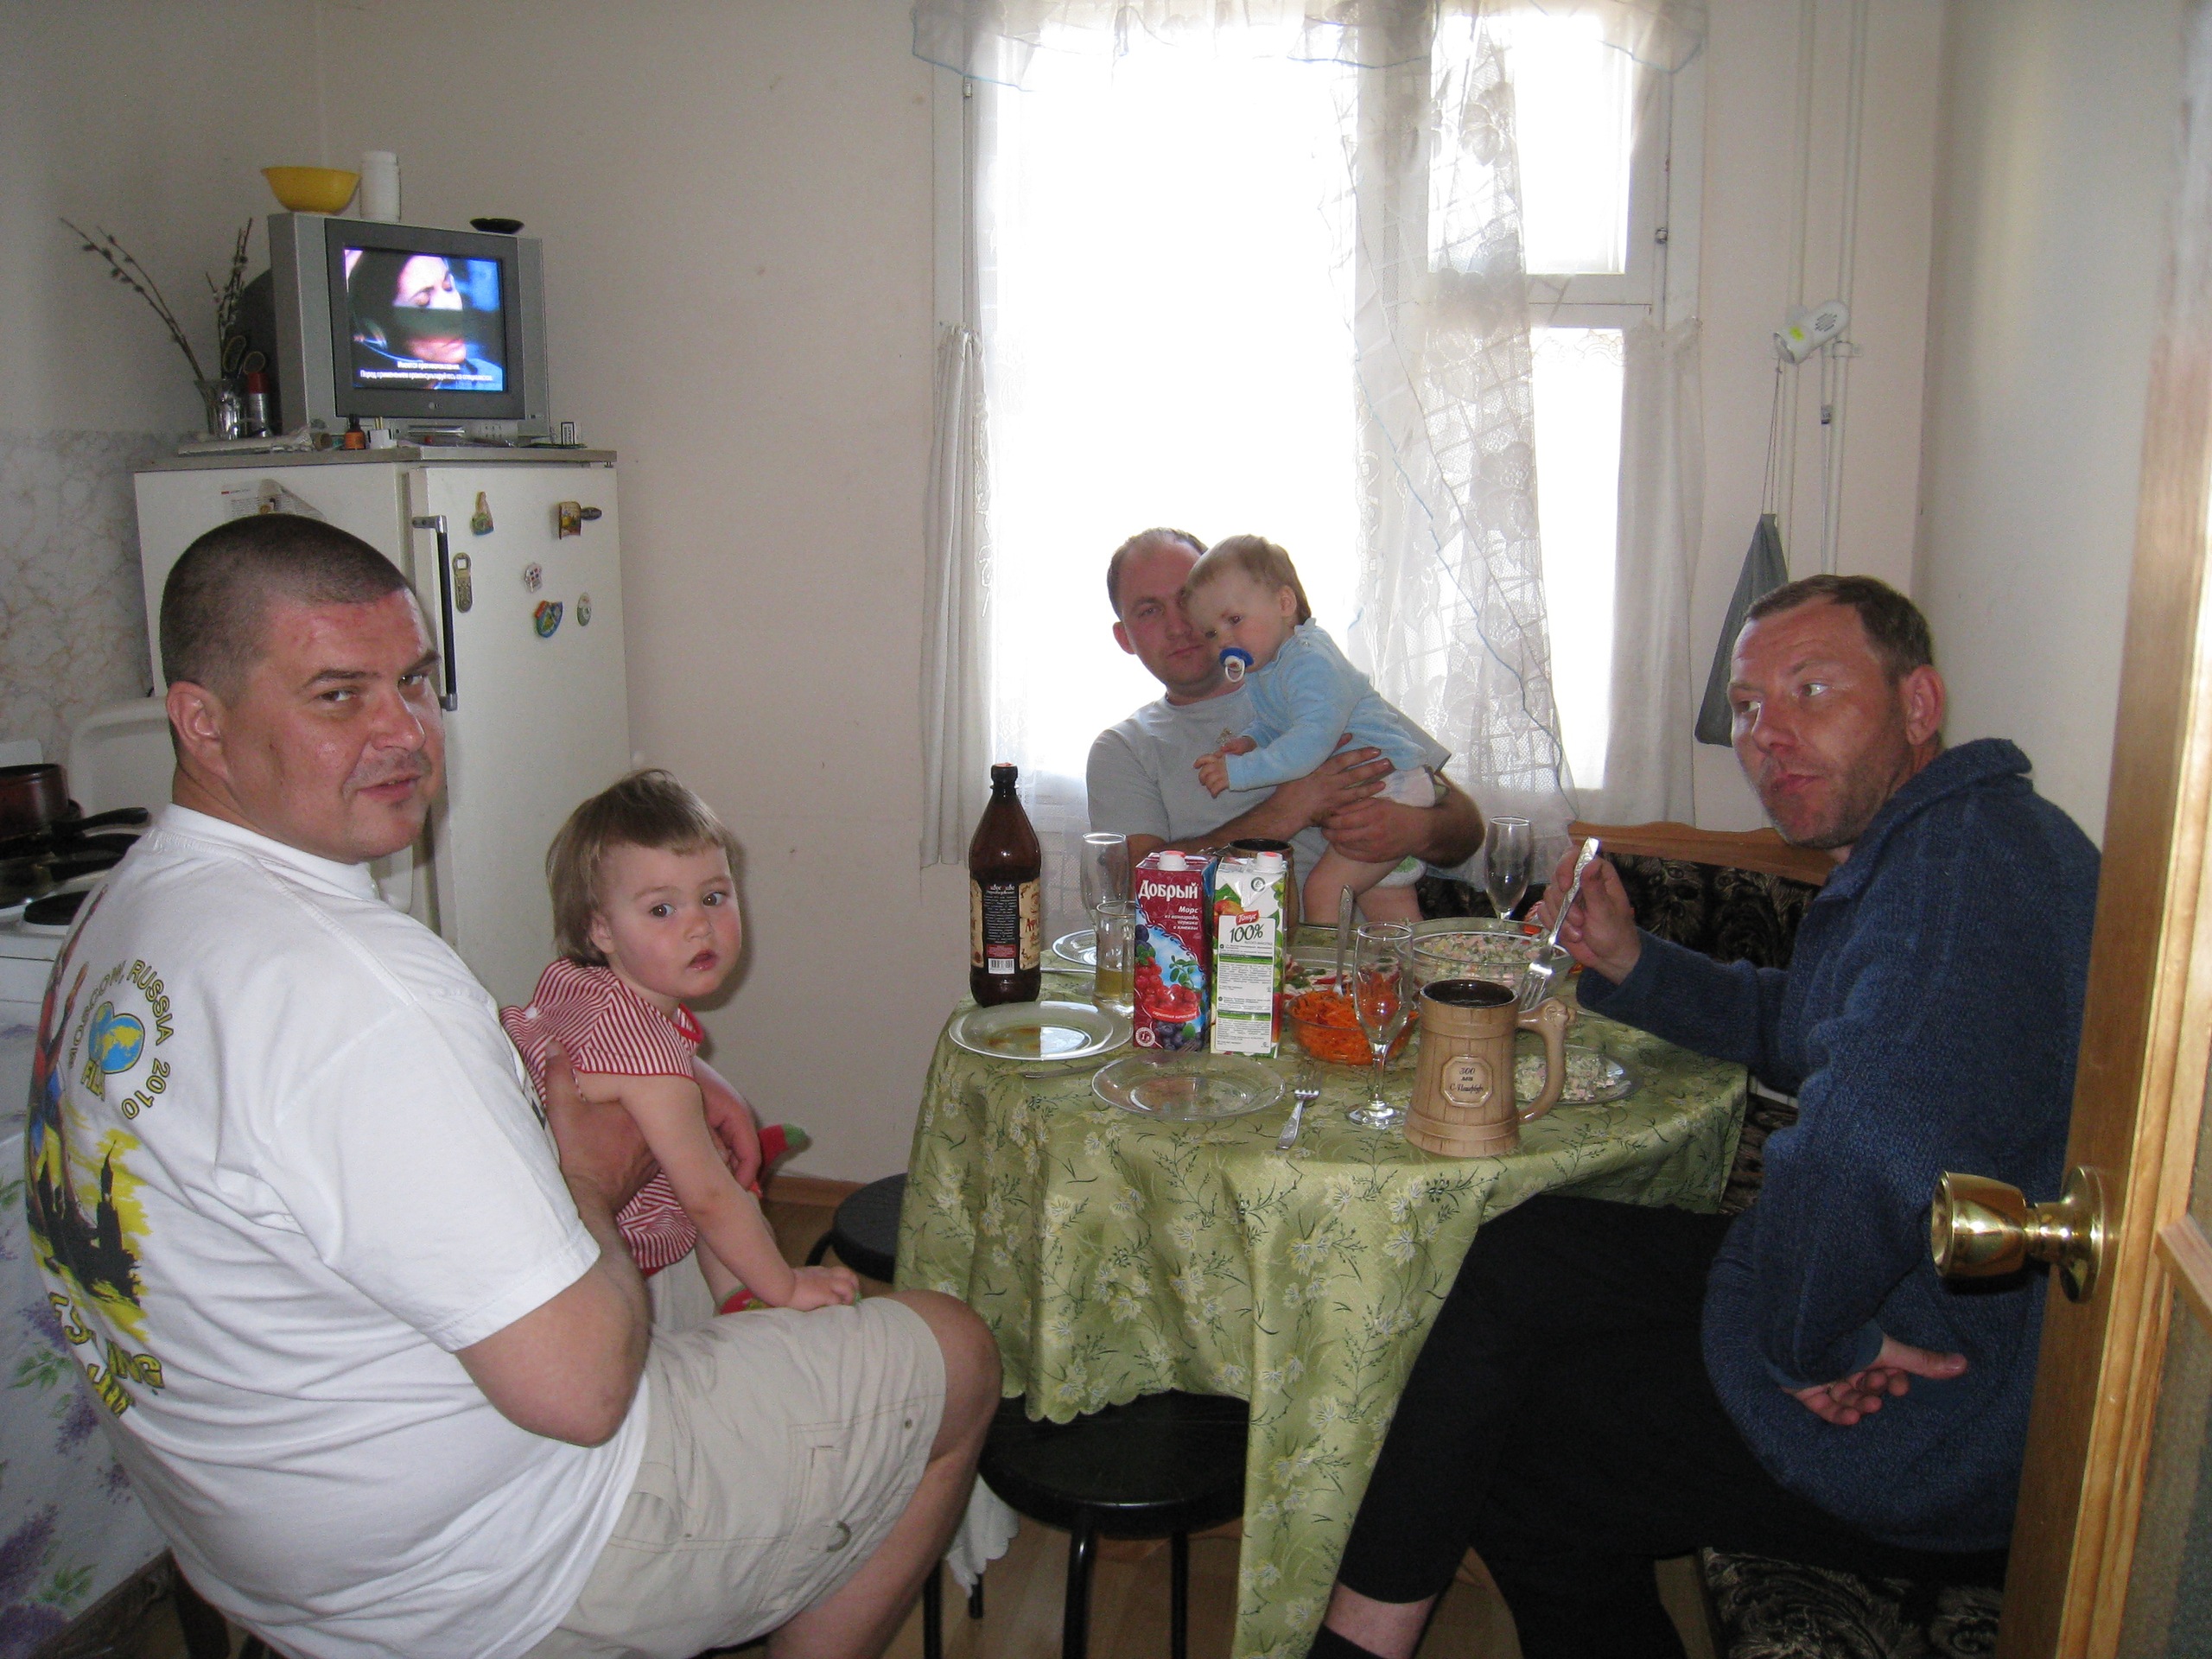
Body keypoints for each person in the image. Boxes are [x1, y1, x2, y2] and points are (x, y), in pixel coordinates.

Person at [24, 512, 996, 1659]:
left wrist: (665, 1083)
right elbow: (582, 1395)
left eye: (415, 680)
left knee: (693, 1298)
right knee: (955, 1351)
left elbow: (357, 1104)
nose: (404, 732)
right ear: (203, 720)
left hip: (257, 1540)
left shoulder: (125, 912)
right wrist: (583, 1179)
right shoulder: (352, 988)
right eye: (338, 695)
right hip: (492, 1566)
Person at [1310, 574, 2098, 1659]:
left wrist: (1812, 1340)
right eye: (1747, 706)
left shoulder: (1959, 876)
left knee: (1521, 1445)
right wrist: (1631, 962)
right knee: (1517, 1250)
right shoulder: (1947, 843)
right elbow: (1807, 1031)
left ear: (1918, 704)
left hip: (1955, 1421)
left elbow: (1872, 1147)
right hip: (1923, 1305)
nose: (1767, 733)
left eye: (1811, 689)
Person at [502, 769, 853, 1316]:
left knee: (702, 1155)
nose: (699, 927)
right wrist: (786, 1285)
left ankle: (736, 1283)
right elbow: (708, 1200)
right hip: (598, 1249)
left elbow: (614, 1062)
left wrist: (704, 1082)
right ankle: (748, 1294)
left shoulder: (575, 980)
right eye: (662, 909)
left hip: (515, 1202)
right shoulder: (652, 1063)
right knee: (717, 1184)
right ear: (601, 930)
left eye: (713, 897)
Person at [1086, 527, 1483, 903]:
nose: (1178, 625)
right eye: (1150, 611)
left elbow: (1466, 828)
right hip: (1224, 951)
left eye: (1186, 599)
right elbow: (1135, 889)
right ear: (1125, 638)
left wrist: (1415, 829)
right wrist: (1286, 812)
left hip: (1365, 945)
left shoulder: (1306, 679)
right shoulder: (1122, 749)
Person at [1182, 535, 1443, 924]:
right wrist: (1251, 741)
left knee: (1323, 893)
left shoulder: (1310, 661)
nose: (1224, 641)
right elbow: (1276, 724)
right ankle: (1408, 962)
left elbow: (1310, 743)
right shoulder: (1267, 668)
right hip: (1374, 791)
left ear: (1284, 604)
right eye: (1211, 633)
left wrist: (1239, 771)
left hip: (1392, 785)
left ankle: (1325, 966)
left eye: (1234, 620)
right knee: (1388, 908)